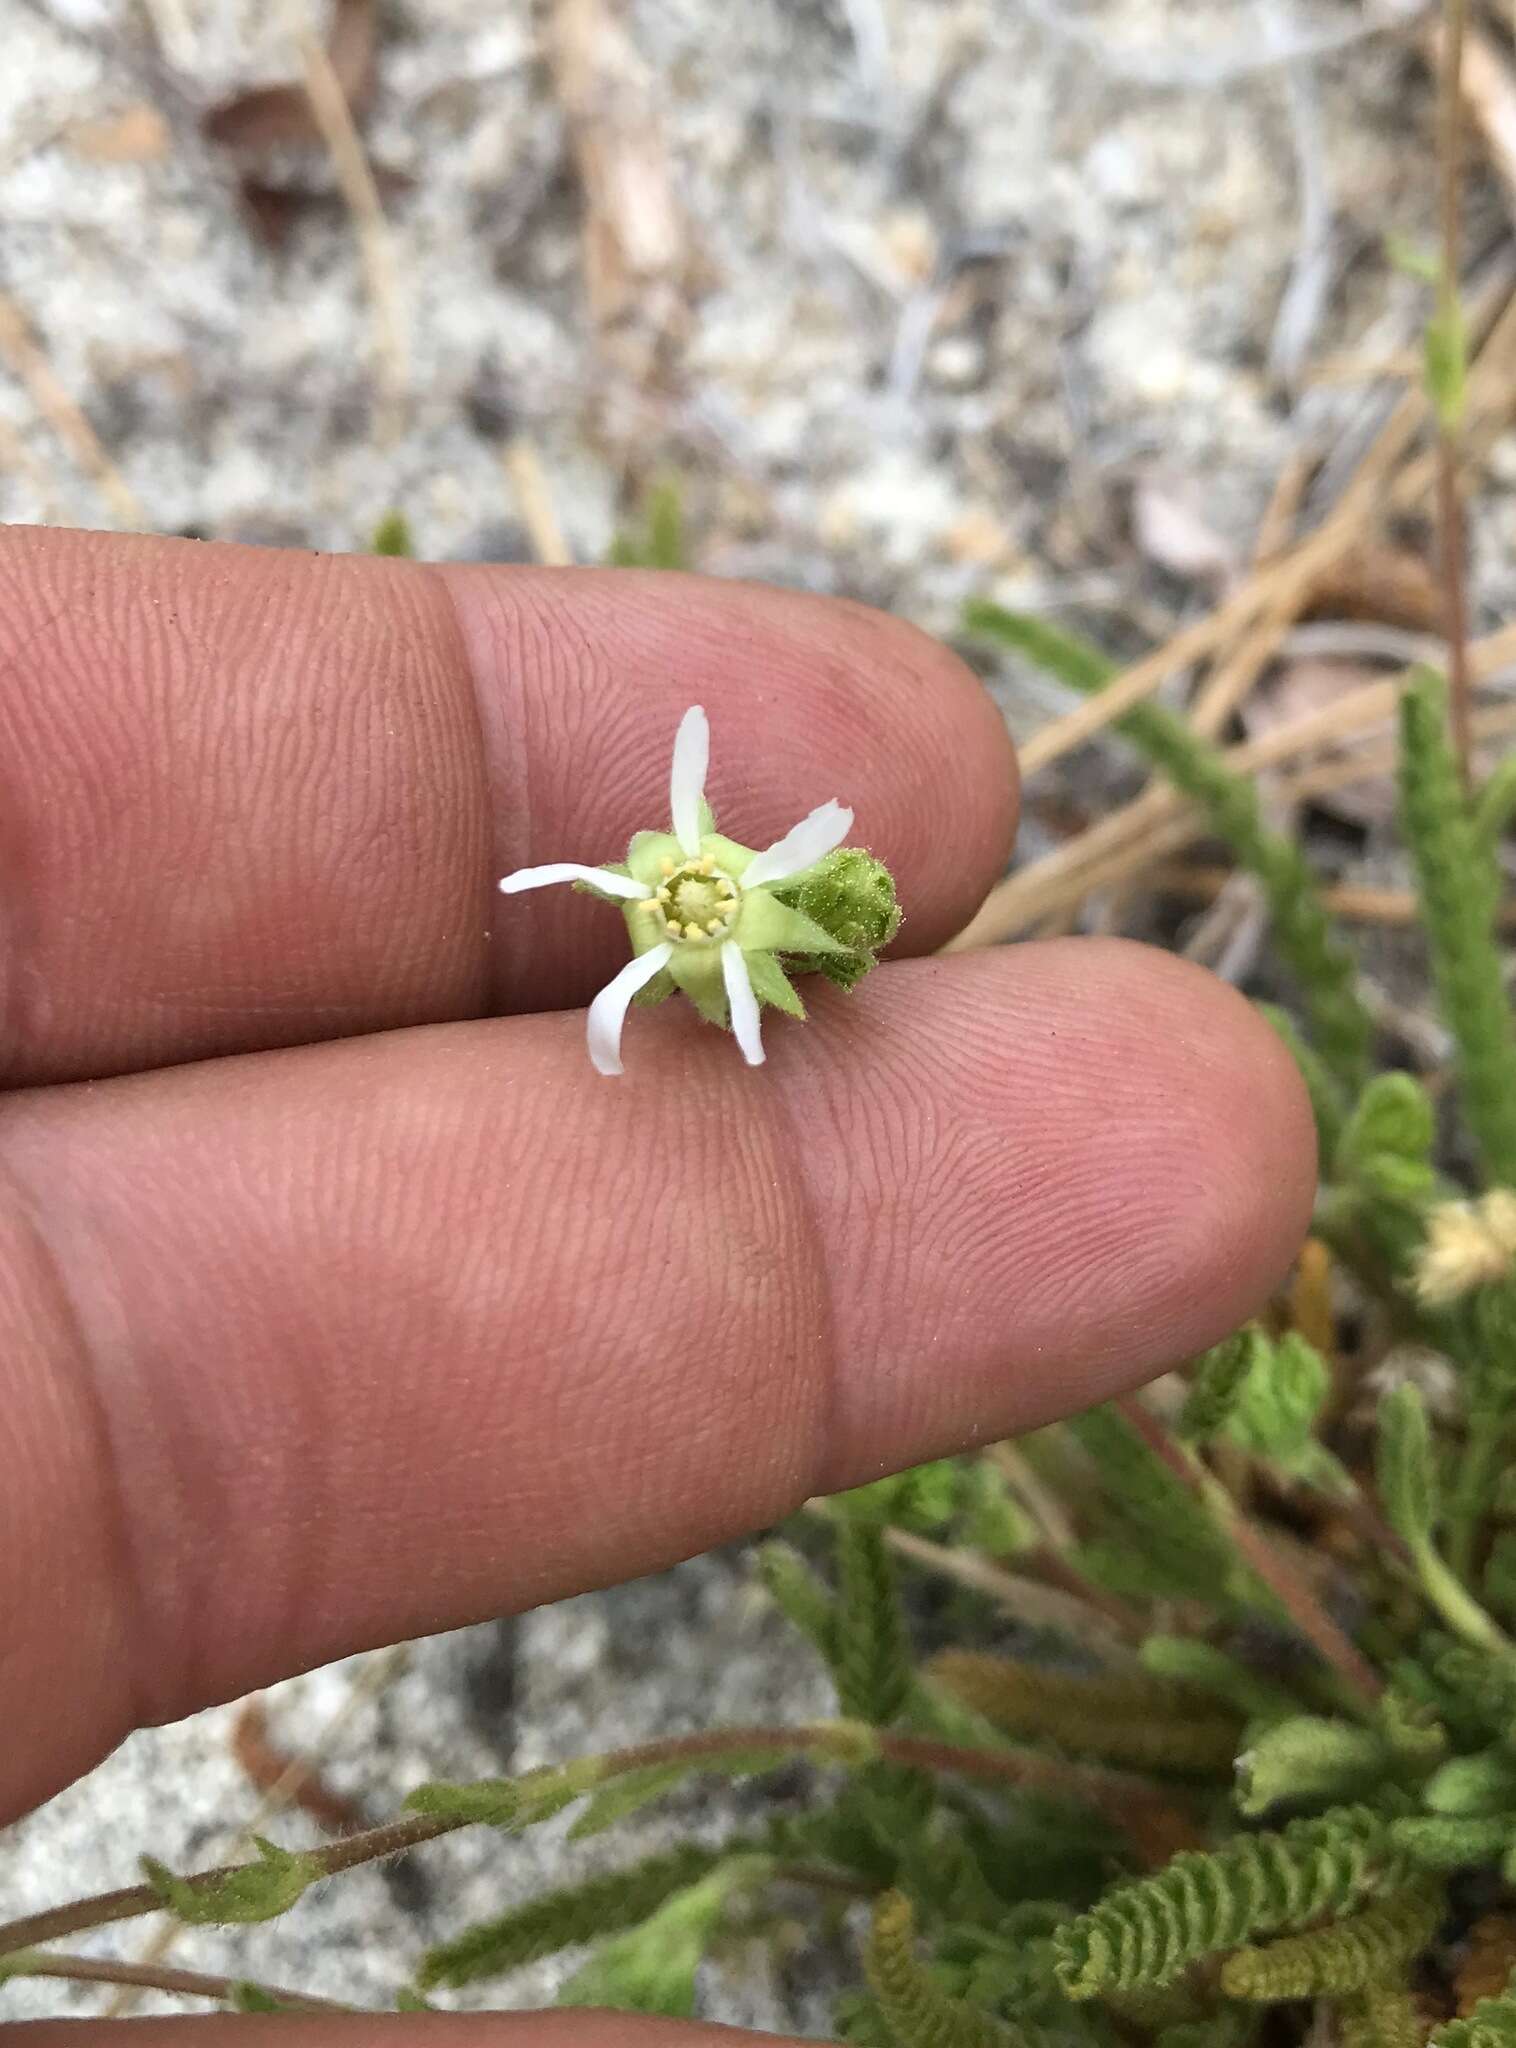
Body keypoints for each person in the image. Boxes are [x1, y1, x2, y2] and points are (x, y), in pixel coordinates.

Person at [0, 526, 1315, 2043]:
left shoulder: (762, 918)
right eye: (684, 897)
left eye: (705, 897)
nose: (684, 899)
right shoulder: (684, 929)